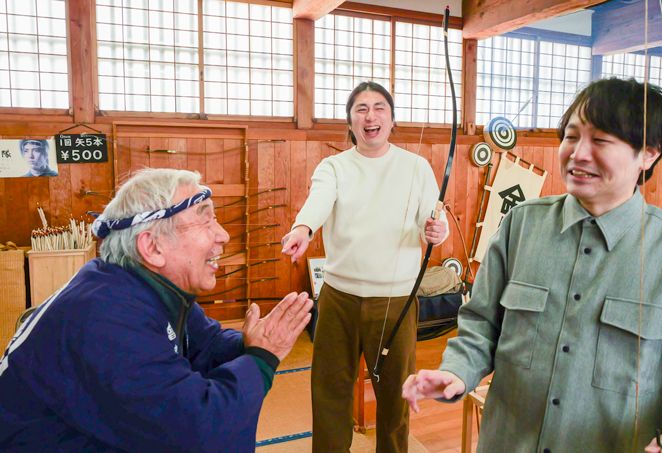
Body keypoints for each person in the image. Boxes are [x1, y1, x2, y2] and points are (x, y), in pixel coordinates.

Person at [402, 77, 662, 452]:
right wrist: (456, 371)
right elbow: (481, 324)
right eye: (571, 136)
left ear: (648, 154)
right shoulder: (522, 223)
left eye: (600, 141)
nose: (578, 154)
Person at [0, 168, 313, 452]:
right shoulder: (106, 318)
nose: (223, 235)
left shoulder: (142, 286)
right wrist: (261, 359)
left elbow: (205, 343)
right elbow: (198, 432)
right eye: (206, 220)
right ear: (152, 247)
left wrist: (250, 342)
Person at [281, 81, 449, 452]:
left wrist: (438, 231)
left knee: (395, 395)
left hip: (396, 300)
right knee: (330, 389)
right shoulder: (334, 166)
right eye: (361, 109)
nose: (370, 116)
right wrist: (302, 228)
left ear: (392, 119)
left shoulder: (416, 167)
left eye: (378, 108)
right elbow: (318, 200)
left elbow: (432, 218)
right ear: (350, 121)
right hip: (339, 297)